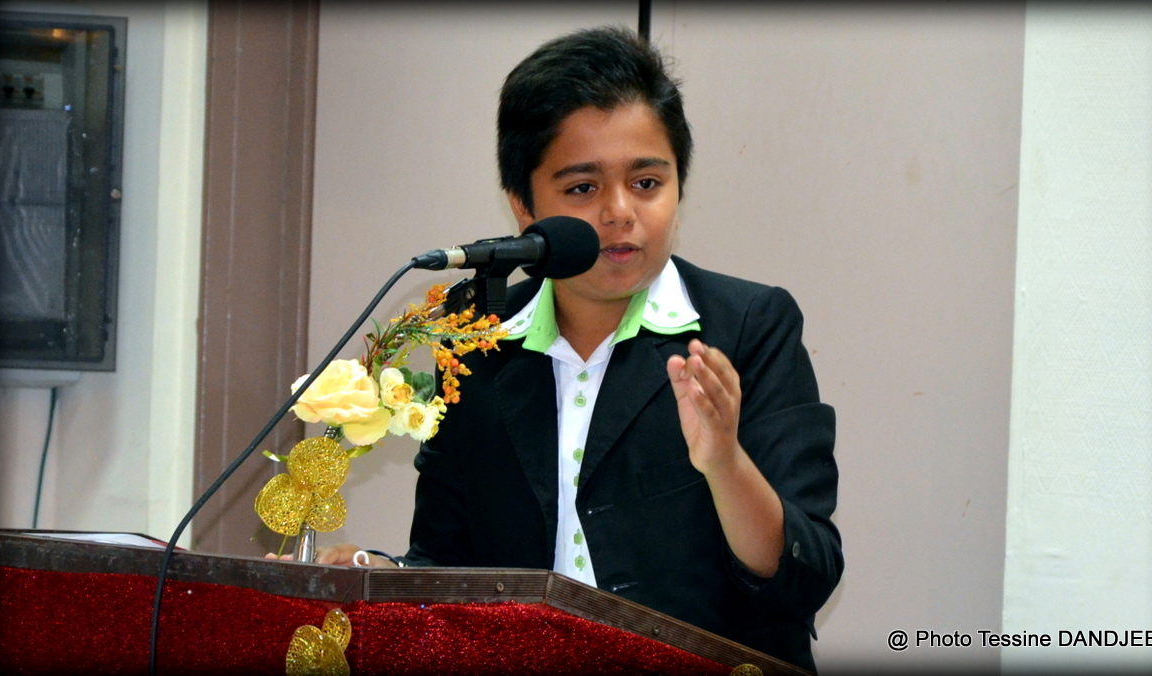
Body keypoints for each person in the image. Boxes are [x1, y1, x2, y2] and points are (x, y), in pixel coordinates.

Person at [276, 26, 841, 671]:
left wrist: (724, 464)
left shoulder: (746, 327)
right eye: (582, 189)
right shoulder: (477, 334)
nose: (620, 212)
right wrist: (382, 575)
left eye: (647, 182)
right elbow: (449, 564)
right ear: (524, 207)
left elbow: (805, 577)